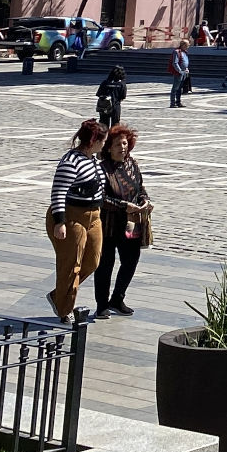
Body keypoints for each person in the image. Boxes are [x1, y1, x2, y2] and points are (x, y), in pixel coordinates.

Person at [46, 119, 108, 323]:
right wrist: (60, 222)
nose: (104, 145)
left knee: (92, 260)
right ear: (93, 141)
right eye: (103, 141)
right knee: (71, 265)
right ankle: (65, 309)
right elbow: (58, 193)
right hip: (73, 216)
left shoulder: (92, 159)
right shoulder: (71, 162)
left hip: (94, 216)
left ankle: (59, 294)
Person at [94, 124, 149, 318]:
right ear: (108, 147)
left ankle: (117, 298)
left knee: (131, 259)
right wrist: (123, 205)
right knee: (105, 264)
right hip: (108, 224)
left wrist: (144, 200)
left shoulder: (131, 164)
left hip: (130, 223)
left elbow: (140, 187)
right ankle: (102, 305)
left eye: (125, 143)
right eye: (118, 144)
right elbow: (100, 198)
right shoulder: (102, 169)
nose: (122, 147)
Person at [168, 40, 191, 108]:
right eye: (187, 45)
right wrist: (179, 71)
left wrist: (186, 69)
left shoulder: (185, 52)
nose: (188, 47)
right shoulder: (177, 52)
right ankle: (172, 103)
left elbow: (184, 61)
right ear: (183, 45)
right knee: (175, 88)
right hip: (179, 73)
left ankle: (178, 102)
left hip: (184, 72)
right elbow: (175, 62)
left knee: (180, 88)